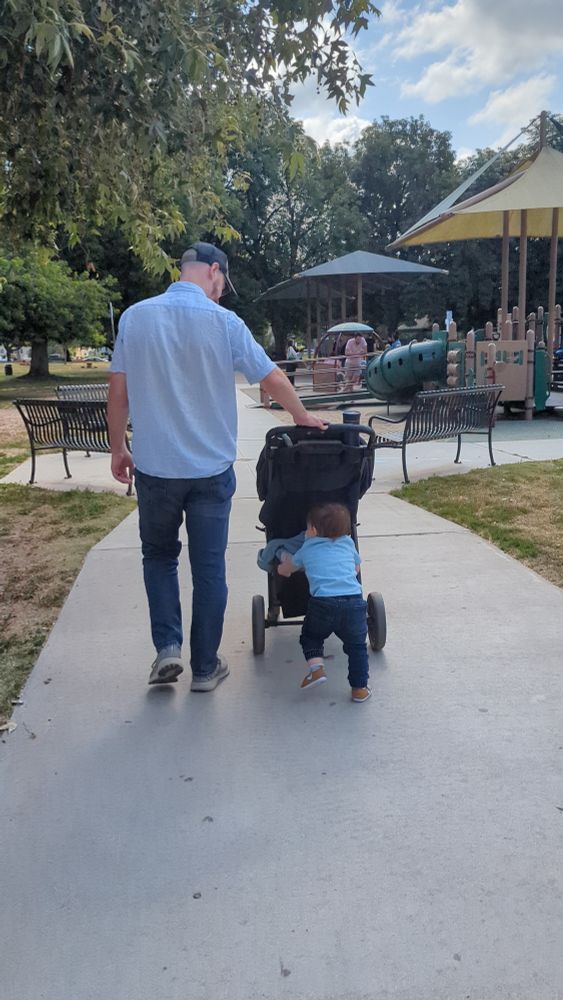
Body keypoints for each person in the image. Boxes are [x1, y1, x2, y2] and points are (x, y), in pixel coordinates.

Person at [108, 241, 326, 691]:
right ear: (213, 270)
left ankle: (167, 651)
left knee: (159, 557)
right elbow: (270, 376)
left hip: (155, 469)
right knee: (209, 568)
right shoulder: (225, 323)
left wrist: (117, 448)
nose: (222, 290)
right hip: (209, 470)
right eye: (223, 282)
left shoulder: (135, 317)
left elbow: (118, 391)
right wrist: (301, 416)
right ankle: (205, 667)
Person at [277, 502, 371, 703]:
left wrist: (282, 568)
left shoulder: (308, 547)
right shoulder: (348, 543)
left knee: (311, 637)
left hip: (323, 605)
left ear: (312, 529)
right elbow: (356, 569)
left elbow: (288, 569)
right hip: (354, 603)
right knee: (357, 648)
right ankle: (359, 688)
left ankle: (317, 669)